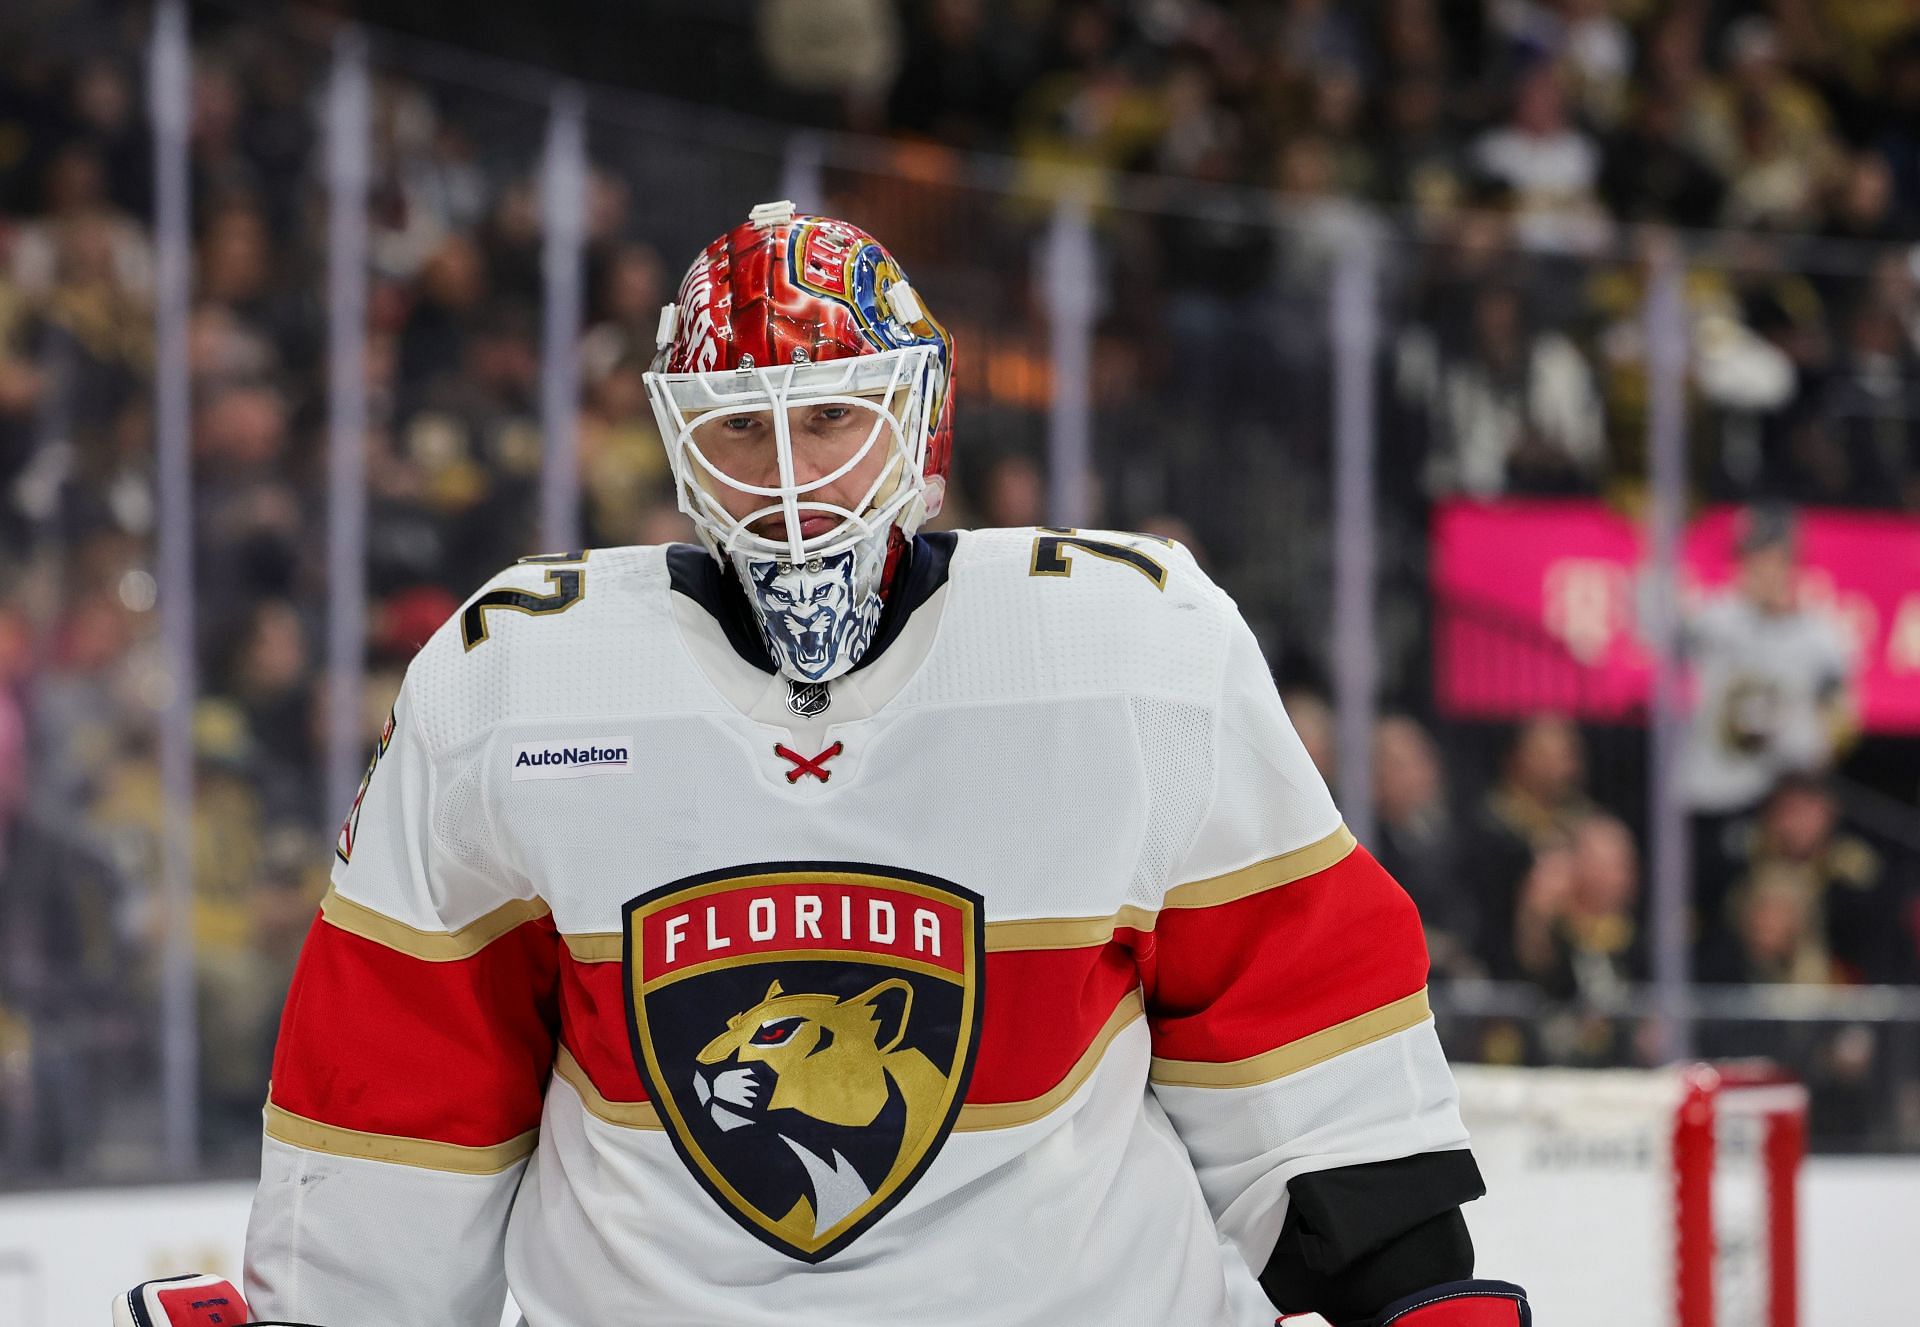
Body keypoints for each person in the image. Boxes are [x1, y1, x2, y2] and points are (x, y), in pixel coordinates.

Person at [226, 205, 1527, 1326]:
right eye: (742, 429)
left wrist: (1410, 1284)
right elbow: (399, 1100)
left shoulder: (1134, 646)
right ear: (680, 445)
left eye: (833, 417)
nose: (791, 481)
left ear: (919, 419)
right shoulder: (505, 682)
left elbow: (1298, 1018)